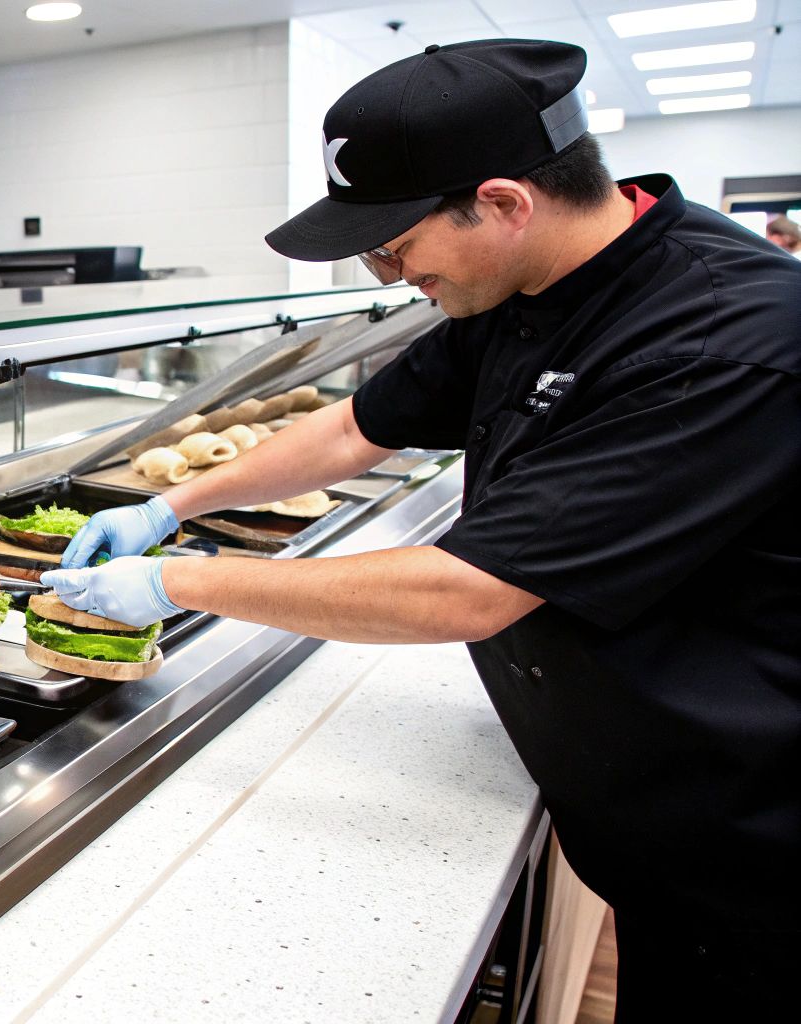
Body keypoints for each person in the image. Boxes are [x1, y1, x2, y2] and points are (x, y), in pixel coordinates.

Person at [41, 39, 800, 1020]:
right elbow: (356, 426)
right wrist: (169, 504)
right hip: (632, 811)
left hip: (747, 845)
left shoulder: (716, 340)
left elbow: (466, 591)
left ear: (501, 203)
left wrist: (181, 579)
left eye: (392, 247)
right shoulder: (525, 283)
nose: (386, 272)